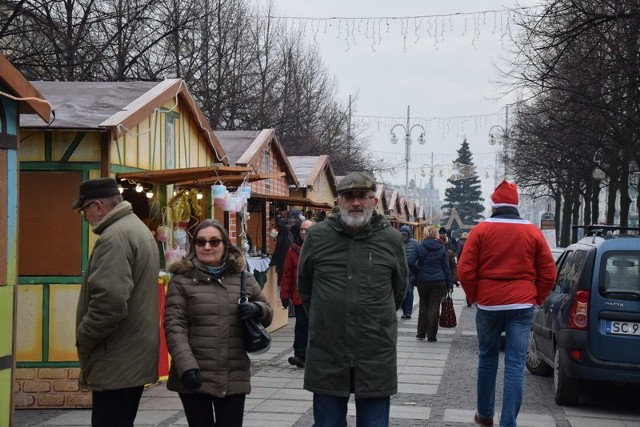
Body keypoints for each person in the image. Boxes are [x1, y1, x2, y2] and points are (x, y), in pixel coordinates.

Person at [298, 171, 407, 427]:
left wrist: (376, 320)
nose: (356, 203)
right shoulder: (317, 236)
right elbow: (306, 288)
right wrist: (325, 320)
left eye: (363, 196)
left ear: (374, 202)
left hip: (375, 350)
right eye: (349, 197)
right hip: (328, 350)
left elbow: (398, 290)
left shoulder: (390, 239)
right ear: (339, 201)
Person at [458, 180, 557, 427]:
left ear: (493, 204)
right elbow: (548, 272)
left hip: (489, 303)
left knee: (487, 357)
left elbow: (465, 269)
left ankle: (484, 415)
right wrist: (537, 297)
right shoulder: (532, 231)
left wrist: (474, 296)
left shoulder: (480, 230)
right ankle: (508, 421)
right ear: (516, 204)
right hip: (521, 303)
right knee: (515, 363)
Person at [163, 220, 273, 427]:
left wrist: (257, 309)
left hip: (233, 373)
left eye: (214, 242)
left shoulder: (244, 278)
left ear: (225, 245)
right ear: (194, 246)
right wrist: (186, 367)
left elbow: (268, 314)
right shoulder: (181, 281)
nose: (207, 247)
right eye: (201, 242)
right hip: (194, 374)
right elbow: (174, 327)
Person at [73, 177, 160, 427]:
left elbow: (109, 303)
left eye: (84, 210)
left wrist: (84, 337)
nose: (85, 217)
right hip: (130, 354)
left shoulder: (114, 238)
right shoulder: (135, 228)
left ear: (98, 206)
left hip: (116, 356)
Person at [409, 225, 453, 342]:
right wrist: (450, 285)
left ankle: (420, 333)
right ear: (435, 234)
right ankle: (432, 335)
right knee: (435, 306)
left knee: (423, 306)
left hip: (422, 281)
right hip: (439, 281)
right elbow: (446, 268)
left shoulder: (419, 246)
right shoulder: (441, 247)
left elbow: (410, 262)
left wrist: (417, 273)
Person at [280, 219, 314, 368]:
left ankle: (315, 355)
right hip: (300, 296)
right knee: (301, 325)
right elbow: (287, 274)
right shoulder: (293, 250)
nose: (304, 232)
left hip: (318, 296)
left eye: (307, 229)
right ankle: (300, 355)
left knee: (316, 327)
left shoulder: (320, 248)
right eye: (301, 229)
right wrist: (284, 295)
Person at [399, 224, 419, 319]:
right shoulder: (397, 242)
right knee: (401, 291)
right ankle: (404, 309)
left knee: (409, 291)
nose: (403, 236)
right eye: (402, 234)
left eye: (405, 234)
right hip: (399, 271)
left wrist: (416, 265)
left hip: (410, 271)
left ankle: (408, 311)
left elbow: (419, 256)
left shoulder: (414, 243)